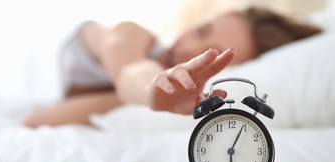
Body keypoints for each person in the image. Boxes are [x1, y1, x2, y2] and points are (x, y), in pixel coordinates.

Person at [24, 7, 322, 127]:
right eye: (202, 31)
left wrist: (156, 95)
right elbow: (131, 72)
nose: (191, 50)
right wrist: (150, 89)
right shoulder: (129, 35)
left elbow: (40, 121)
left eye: (212, 56)